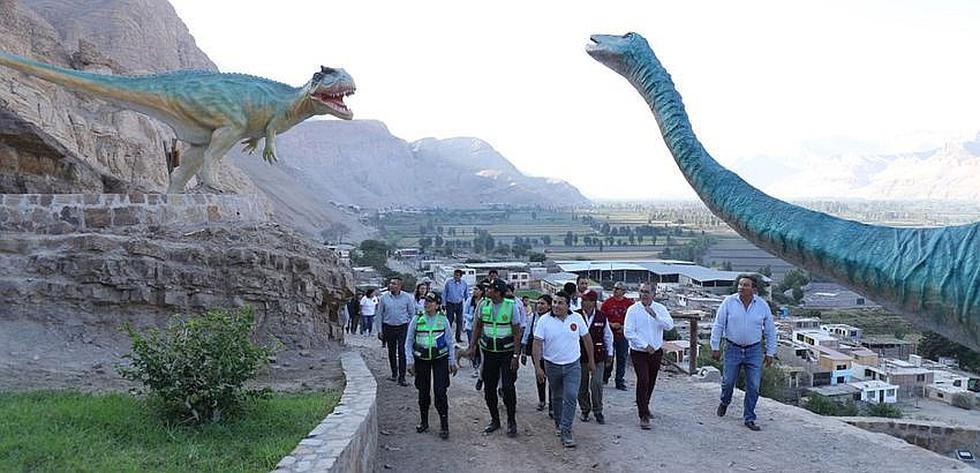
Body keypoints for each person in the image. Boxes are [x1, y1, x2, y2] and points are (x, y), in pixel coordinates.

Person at [710, 274, 777, 432]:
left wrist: (770, 352)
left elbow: (770, 331)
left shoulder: (762, 306)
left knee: (753, 386)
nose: (741, 287)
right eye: (740, 284)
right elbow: (719, 324)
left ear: (754, 289)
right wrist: (715, 346)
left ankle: (749, 417)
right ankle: (725, 402)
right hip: (732, 348)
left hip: (754, 350)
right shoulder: (728, 302)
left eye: (746, 285)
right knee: (727, 382)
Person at [532, 292, 595, 448]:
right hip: (551, 365)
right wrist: (538, 368)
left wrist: (592, 361)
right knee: (557, 397)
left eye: (560, 303)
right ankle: (559, 424)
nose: (555, 306)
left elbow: (587, 339)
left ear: (568, 305)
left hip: (573, 365)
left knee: (571, 396)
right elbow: (537, 344)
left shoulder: (577, 319)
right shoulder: (544, 321)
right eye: (554, 302)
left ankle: (566, 430)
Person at [463, 279, 523, 437]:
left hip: (507, 353)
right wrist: (472, 346)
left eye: (490, 289)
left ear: (498, 292)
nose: (487, 291)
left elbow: (517, 333)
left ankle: (511, 421)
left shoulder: (511, 307)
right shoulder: (484, 305)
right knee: (489, 389)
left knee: (508, 388)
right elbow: (478, 327)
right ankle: (495, 420)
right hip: (489, 352)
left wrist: (516, 356)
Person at [406, 292, 458, 439]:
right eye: (426, 301)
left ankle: (444, 424)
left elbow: (449, 341)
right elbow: (409, 341)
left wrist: (451, 361)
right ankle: (424, 422)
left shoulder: (443, 320)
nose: (427, 304)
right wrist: (410, 360)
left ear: (437, 304)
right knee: (423, 392)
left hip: (440, 359)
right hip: (421, 359)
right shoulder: (417, 319)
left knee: (440, 392)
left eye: (430, 301)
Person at [624, 283, 674, 430]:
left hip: (656, 352)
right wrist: (645, 345)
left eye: (647, 292)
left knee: (651, 381)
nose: (643, 294)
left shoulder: (660, 309)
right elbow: (629, 332)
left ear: (654, 294)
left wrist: (656, 316)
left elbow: (670, 326)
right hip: (639, 352)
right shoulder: (633, 310)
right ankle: (643, 415)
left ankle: (645, 405)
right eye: (641, 291)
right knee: (643, 380)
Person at [576, 290, 613, 424]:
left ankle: (598, 410)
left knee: (596, 384)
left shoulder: (602, 316)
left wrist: (610, 353)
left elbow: (608, 335)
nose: (583, 302)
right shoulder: (576, 315)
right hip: (580, 356)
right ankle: (585, 409)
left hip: (598, 356)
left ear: (593, 302)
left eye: (586, 300)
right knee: (582, 385)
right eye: (582, 299)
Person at [377, 277, 418, 386]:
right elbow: (379, 314)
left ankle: (402, 377)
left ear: (400, 286)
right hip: (388, 327)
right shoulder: (384, 298)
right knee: (391, 351)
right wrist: (379, 330)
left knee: (402, 351)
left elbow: (412, 313)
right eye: (391, 283)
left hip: (402, 327)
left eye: (394, 284)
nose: (392, 285)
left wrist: (411, 329)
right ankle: (394, 373)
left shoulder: (407, 298)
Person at [522, 295, 552, 414]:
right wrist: (523, 352)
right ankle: (542, 400)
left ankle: (552, 406)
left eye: (543, 303)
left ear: (549, 306)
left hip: (550, 354)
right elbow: (527, 334)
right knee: (540, 376)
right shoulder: (533, 317)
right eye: (538, 303)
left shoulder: (553, 319)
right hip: (537, 354)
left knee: (552, 380)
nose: (539, 306)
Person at [602, 281, 633, 390]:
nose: (615, 290)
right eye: (615, 288)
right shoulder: (607, 303)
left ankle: (619, 381)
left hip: (623, 335)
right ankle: (604, 377)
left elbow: (632, 320)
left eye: (618, 288)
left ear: (623, 291)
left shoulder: (629, 304)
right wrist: (611, 324)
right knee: (608, 356)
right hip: (609, 334)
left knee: (622, 358)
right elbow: (602, 319)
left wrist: (623, 327)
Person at [463, 283, 488, 382]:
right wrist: (473, 317)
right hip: (471, 327)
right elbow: (465, 313)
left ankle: (481, 367)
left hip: (482, 329)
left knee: (481, 349)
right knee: (473, 347)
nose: (474, 291)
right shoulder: (470, 301)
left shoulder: (485, 302)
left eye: (477, 289)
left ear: (481, 291)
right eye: (474, 289)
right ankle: (475, 367)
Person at [443, 269, 469, 343]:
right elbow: (444, 293)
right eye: (455, 275)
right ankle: (447, 337)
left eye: (457, 275)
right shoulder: (449, 283)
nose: (456, 276)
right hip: (450, 303)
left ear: (460, 276)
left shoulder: (464, 283)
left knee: (459, 321)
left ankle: (458, 337)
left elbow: (466, 295)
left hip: (459, 304)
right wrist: (443, 304)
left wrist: (468, 304)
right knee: (449, 321)